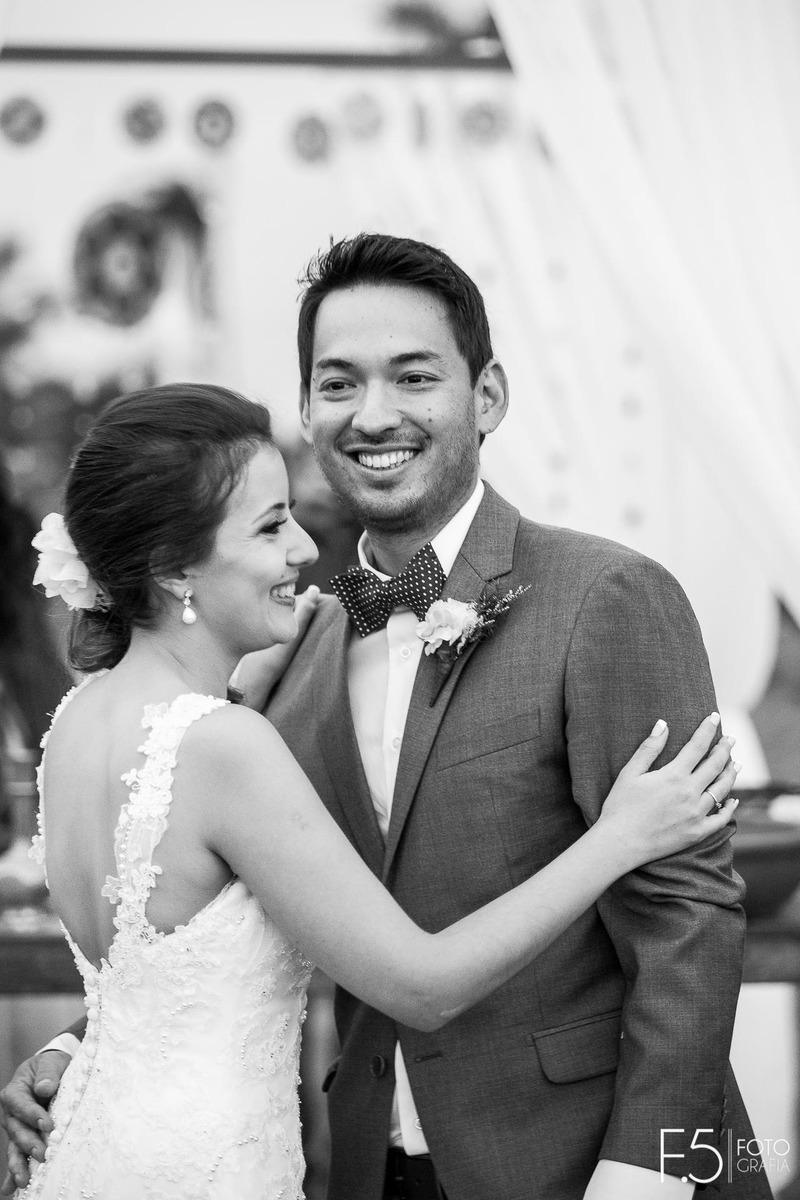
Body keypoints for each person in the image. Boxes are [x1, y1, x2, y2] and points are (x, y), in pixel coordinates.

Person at [0, 382, 738, 1200]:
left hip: (92, 1152)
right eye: (271, 526)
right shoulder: (226, 744)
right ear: (174, 566)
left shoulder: (76, 722)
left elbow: (151, 966)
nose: (303, 551)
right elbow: (421, 983)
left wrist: (74, 1046)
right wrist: (616, 841)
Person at [260, 235, 768, 1200]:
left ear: (487, 395)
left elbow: (689, 918)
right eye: (338, 384)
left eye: (414, 377)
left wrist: (646, 1173)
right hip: (376, 1163)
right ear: (306, 410)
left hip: (587, 1162)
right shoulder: (309, 646)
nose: (374, 416)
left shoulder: (608, 595)